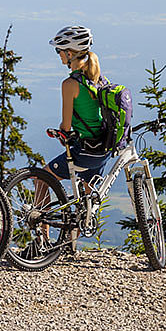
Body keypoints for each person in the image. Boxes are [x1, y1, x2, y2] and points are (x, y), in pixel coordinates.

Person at [34, 24, 109, 252]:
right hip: (102, 151)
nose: (58, 55)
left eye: (59, 51)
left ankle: (41, 241)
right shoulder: (99, 79)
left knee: (41, 179)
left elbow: (66, 127)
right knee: (84, 200)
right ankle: (71, 245)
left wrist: (60, 132)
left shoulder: (69, 84)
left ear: (69, 53)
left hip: (83, 152)